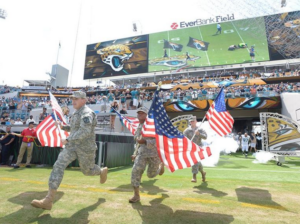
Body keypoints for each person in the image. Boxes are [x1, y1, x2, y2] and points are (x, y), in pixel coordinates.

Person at [31, 91, 108, 210]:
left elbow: (85, 131)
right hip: (72, 147)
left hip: (85, 148)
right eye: (72, 99)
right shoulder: (76, 113)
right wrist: (62, 127)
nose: (73, 101)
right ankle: (48, 200)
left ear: (84, 100)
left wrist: (67, 138)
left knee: (87, 171)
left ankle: (101, 171)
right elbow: (74, 128)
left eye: (76, 99)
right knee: (58, 165)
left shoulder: (87, 113)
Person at [130, 107, 164, 203]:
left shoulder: (153, 126)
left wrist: (145, 141)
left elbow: (159, 140)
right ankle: (136, 195)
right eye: (138, 113)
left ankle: (160, 168)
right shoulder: (139, 126)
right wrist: (135, 153)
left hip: (154, 154)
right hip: (141, 154)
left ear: (147, 115)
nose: (139, 115)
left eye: (142, 113)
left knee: (151, 175)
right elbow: (137, 141)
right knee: (135, 171)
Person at [183, 116, 207, 183]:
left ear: (196, 121)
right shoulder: (187, 130)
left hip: (198, 147)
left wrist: (199, 134)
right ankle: (203, 172)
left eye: (193, 121)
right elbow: (184, 139)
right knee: (196, 161)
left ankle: (194, 176)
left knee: (195, 160)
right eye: (191, 121)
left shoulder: (200, 129)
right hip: (190, 148)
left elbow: (205, 137)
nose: (192, 122)